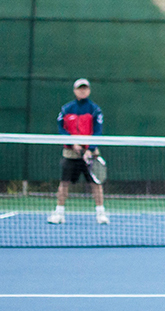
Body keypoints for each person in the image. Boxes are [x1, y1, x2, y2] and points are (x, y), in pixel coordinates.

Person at [47, 78, 108, 225]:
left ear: (89, 90)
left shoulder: (95, 109)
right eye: (80, 88)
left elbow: (98, 131)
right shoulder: (66, 109)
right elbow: (61, 129)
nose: (83, 90)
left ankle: (101, 214)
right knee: (64, 183)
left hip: (90, 154)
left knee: (96, 184)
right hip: (70, 153)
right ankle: (59, 213)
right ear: (75, 90)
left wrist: (90, 149)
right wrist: (72, 143)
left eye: (85, 88)